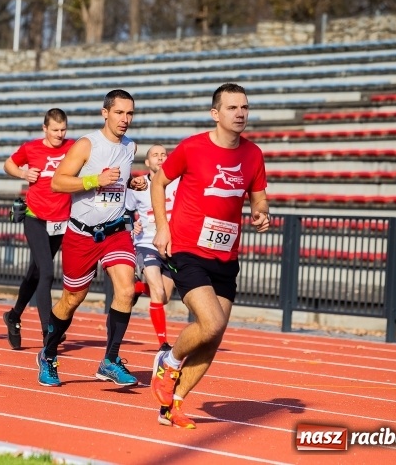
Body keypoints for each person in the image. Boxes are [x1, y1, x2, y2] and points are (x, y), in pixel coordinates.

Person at [149, 83, 270, 429]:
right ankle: (168, 362)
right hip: (187, 249)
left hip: (226, 257)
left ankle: (173, 406)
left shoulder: (253, 154)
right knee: (211, 322)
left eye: (244, 107)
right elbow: (158, 182)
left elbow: (259, 197)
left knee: (212, 337)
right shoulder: (192, 147)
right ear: (215, 114)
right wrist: (162, 227)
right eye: (232, 108)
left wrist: (261, 212)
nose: (241, 113)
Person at [37, 89, 147, 387]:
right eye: (120, 112)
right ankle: (48, 353)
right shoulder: (87, 144)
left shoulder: (130, 147)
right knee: (72, 299)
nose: (125, 119)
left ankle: (110, 360)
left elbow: (117, 183)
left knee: (126, 291)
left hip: (115, 232)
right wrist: (93, 180)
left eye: (130, 113)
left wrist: (132, 183)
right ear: (105, 113)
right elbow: (58, 182)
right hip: (82, 234)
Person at [1, 108, 74, 349]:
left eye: (63, 130)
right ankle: (48, 329)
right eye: (55, 130)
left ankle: (14, 315)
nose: (59, 134)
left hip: (60, 220)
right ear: (45, 128)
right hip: (35, 216)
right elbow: (8, 164)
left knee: (35, 273)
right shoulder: (31, 148)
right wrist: (22, 172)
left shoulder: (72, 146)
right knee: (46, 272)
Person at [125, 144, 179, 351]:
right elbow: (126, 212)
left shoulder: (177, 182)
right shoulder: (138, 186)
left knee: (163, 297)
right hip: (146, 244)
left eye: (163, 154)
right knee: (157, 291)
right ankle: (163, 343)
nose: (160, 158)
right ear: (147, 162)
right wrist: (132, 228)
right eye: (155, 155)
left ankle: (136, 288)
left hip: (171, 246)